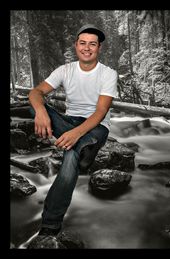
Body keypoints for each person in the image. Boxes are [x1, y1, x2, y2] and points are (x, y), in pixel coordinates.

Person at [29, 24, 118, 236]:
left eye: (92, 44)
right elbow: (35, 92)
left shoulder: (108, 73)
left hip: (96, 127)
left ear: (99, 48)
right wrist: (41, 112)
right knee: (32, 106)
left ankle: (50, 223)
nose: (87, 48)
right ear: (76, 45)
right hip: (69, 121)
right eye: (83, 43)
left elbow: (100, 112)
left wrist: (75, 134)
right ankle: (84, 150)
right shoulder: (65, 70)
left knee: (71, 155)